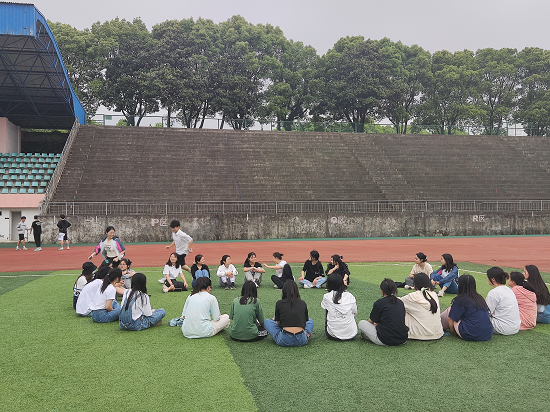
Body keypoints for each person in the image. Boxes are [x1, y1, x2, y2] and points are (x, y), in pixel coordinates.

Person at [440, 274, 493, 341]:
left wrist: (452, 331)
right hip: (488, 334)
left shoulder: (461, 299)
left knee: (450, 311)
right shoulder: (479, 298)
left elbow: (451, 319)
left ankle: (437, 326)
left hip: (470, 334)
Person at [358, 279, 409, 346]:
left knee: (361, 323)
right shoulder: (400, 302)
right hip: (403, 339)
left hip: (385, 340)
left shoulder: (379, 302)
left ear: (382, 291)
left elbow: (370, 321)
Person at [264, 281, 314, 347]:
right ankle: (306, 335)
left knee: (267, 322)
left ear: (284, 291)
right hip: (302, 340)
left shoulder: (279, 303)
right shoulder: (302, 303)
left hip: (285, 339)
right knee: (310, 321)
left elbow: (278, 323)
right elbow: (305, 322)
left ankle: (283, 335)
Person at [399, 273, 443, 340]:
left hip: (418, 334)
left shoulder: (413, 296)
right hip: (438, 333)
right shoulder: (434, 294)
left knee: (403, 309)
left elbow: (396, 302)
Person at [321, 274, 357, 340]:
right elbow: (355, 312)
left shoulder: (327, 296)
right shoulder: (350, 296)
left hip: (332, 335)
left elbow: (325, 307)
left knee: (328, 310)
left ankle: (334, 327)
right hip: (351, 334)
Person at [486, 267, 521, 335]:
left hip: (502, 327)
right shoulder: (509, 290)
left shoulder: (493, 293)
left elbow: (486, 312)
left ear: (493, 279)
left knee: (476, 317)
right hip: (515, 327)